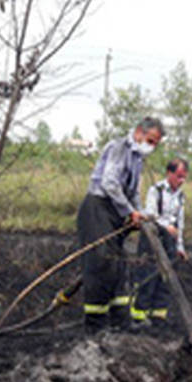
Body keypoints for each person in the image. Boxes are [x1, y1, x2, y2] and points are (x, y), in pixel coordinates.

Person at [77, 117, 165, 332]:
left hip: (114, 212)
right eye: (150, 141)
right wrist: (129, 211)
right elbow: (109, 183)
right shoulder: (119, 148)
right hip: (98, 208)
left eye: (155, 144)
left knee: (119, 265)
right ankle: (95, 324)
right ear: (139, 132)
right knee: (101, 264)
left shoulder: (137, 159)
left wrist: (139, 213)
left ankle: (120, 321)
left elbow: (132, 192)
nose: (151, 147)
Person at [131, 157, 189, 326]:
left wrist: (180, 247)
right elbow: (150, 214)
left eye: (184, 177)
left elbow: (180, 223)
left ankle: (158, 315)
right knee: (148, 276)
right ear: (169, 173)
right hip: (152, 239)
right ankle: (139, 316)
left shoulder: (181, 196)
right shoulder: (156, 191)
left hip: (170, 242)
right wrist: (166, 227)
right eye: (179, 176)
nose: (181, 181)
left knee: (166, 279)